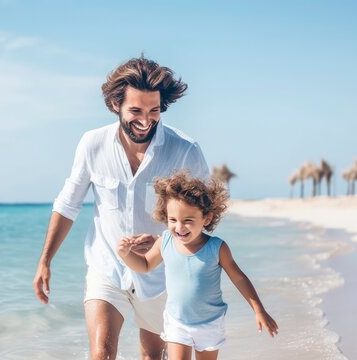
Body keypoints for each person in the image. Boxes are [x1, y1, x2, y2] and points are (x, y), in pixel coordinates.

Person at [33, 55, 210, 360]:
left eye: (154, 111)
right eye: (136, 111)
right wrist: (45, 260)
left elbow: (206, 216)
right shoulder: (93, 144)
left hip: (161, 276)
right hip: (107, 268)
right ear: (116, 105)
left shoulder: (185, 150)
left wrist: (166, 241)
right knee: (101, 354)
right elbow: (68, 204)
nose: (145, 121)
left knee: (153, 356)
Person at [117, 171, 279, 360]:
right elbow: (144, 265)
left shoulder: (216, 248)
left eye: (188, 221)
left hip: (210, 323)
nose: (179, 227)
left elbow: (239, 278)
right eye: (173, 220)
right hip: (177, 322)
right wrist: (125, 255)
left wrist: (259, 310)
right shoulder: (165, 242)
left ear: (207, 219)